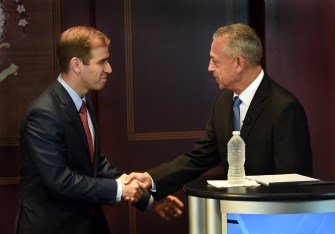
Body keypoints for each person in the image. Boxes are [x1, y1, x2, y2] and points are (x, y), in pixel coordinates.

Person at [14, 26, 183, 234]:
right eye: (102, 61)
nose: (109, 68)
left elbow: (96, 165)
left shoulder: (84, 104)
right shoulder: (42, 114)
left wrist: (147, 200)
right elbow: (60, 180)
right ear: (76, 64)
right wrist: (121, 189)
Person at [125, 23, 313, 200]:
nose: (209, 67)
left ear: (238, 63)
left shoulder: (284, 108)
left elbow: (292, 184)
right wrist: (151, 178)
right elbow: (200, 158)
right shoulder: (223, 104)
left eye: (215, 61)